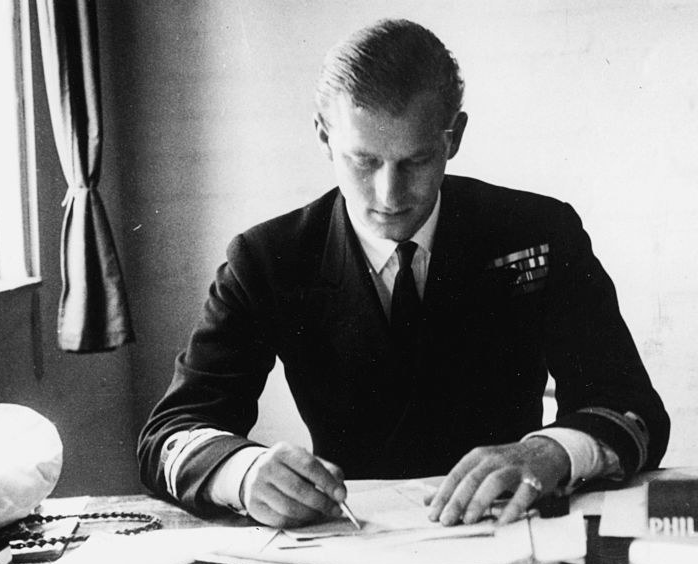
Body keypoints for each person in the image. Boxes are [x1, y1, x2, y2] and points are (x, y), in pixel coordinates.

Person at [137, 18, 669, 528]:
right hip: (350, 549)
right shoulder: (267, 258)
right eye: (363, 161)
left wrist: (552, 451)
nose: (388, 197)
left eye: (415, 162)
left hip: (512, 530)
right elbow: (168, 433)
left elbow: (633, 409)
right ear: (324, 137)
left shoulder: (538, 230)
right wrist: (244, 472)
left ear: (452, 139)